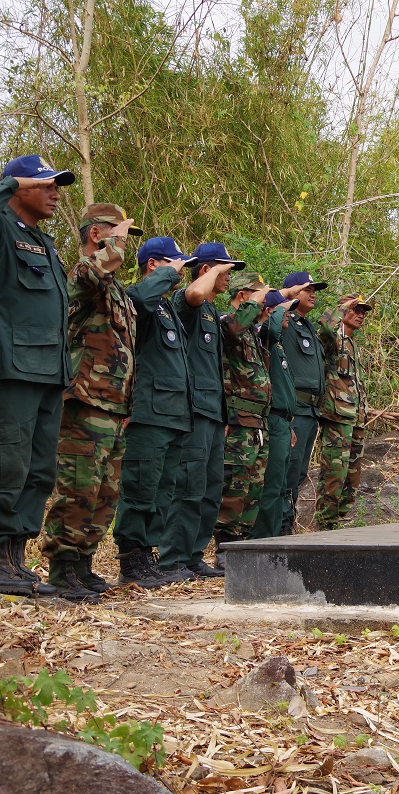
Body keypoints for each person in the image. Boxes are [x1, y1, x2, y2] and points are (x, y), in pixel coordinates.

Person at [0, 155, 75, 597]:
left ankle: (15, 561)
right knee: (4, 463)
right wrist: (9, 182)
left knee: (37, 471)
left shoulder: (44, 242)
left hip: (49, 371)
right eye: (46, 184)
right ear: (18, 187)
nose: (55, 193)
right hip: (11, 366)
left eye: (58, 186)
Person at [40, 204, 147, 601]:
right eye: (117, 234)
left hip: (116, 404)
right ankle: (61, 566)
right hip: (86, 399)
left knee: (105, 491)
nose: (124, 245)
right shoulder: (84, 273)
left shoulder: (115, 288)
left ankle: (82, 561)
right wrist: (113, 243)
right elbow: (95, 271)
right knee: (79, 486)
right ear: (97, 234)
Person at [112, 237, 199, 587]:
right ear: (153, 265)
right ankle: (130, 560)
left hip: (174, 414)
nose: (180, 270)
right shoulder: (142, 300)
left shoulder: (166, 309)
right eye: (175, 263)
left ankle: (147, 556)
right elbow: (137, 300)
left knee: (164, 490)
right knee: (141, 488)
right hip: (149, 413)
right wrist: (166, 275)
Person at [157, 242, 241, 578]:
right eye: (224, 269)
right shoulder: (187, 304)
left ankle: (192, 554)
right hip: (192, 410)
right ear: (205, 270)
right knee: (188, 486)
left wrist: (222, 414)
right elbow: (192, 293)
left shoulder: (211, 312)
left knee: (209, 488)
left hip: (212, 411)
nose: (229, 276)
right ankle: (173, 557)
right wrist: (209, 273)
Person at [214, 273, 273, 555]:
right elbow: (233, 330)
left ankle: (243, 545)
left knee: (254, 487)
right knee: (234, 485)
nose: (262, 301)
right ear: (242, 296)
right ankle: (225, 548)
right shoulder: (229, 323)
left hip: (257, 422)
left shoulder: (251, 332)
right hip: (238, 421)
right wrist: (253, 306)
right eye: (257, 295)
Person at [315, 294, 374, 529]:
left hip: (355, 419)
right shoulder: (333, 340)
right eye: (355, 309)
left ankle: (339, 523)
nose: (360, 315)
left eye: (363, 311)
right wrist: (341, 308)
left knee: (352, 478)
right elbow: (326, 329)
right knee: (333, 475)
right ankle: (325, 526)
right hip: (337, 418)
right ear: (343, 311)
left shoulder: (352, 345)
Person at [250, 289, 302, 539]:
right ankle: (261, 538)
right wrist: (283, 303)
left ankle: (273, 536)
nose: (289, 316)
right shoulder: (264, 336)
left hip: (282, 421)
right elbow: (269, 329)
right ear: (270, 311)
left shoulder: (278, 346)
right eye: (285, 312)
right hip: (271, 419)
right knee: (270, 484)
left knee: (281, 484)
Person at [280, 271, 328, 532]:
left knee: (298, 471)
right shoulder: (285, 322)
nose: (312, 294)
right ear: (291, 292)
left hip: (311, 411)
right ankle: (282, 526)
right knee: (288, 468)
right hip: (294, 408)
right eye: (307, 289)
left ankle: (287, 522)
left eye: (314, 290)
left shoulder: (308, 325)